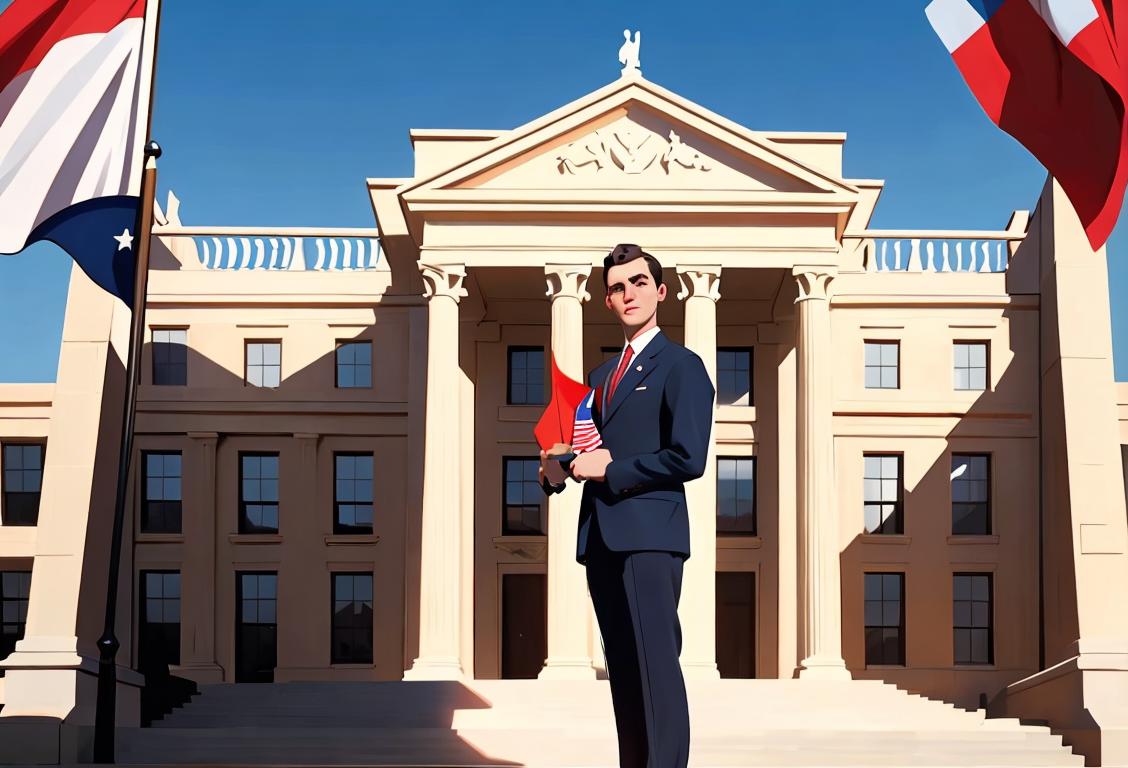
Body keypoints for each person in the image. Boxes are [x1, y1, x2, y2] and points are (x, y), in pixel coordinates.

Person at [539, 243, 714, 768]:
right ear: (608, 302)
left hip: (650, 537)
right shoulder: (599, 378)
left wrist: (612, 470)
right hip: (600, 539)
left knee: (656, 669)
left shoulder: (682, 366)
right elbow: (585, 454)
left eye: (638, 282)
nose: (628, 293)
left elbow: (688, 457)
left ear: (660, 292)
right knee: (624, 676)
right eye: (617, 287)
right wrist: (555, 473)